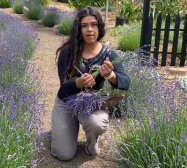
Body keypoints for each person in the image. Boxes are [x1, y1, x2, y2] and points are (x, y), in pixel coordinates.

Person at [51, 6, 130, 161]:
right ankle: (62, 129)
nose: (89, 29)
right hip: (67, 103)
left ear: (99, 27)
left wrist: (111, 75)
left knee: (96, 124)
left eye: (93, 24)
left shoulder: (109, 54)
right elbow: (63, 88)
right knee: (64, 154)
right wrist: (78, 83)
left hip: (91, 104)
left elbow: (126, 82)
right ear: (78, 29)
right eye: (84, 25)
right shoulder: (68, 51)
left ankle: (91, 142)